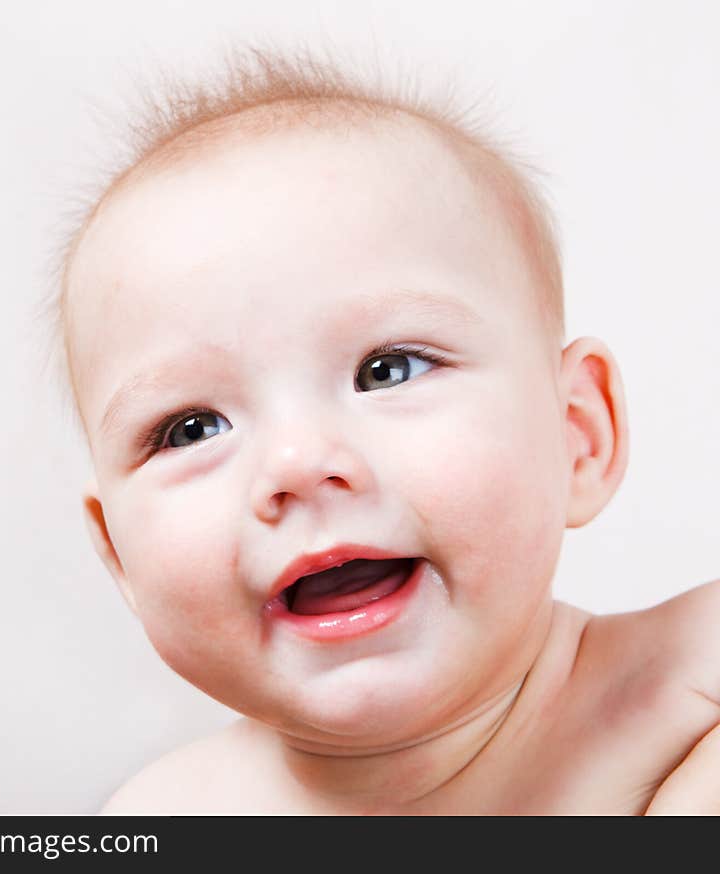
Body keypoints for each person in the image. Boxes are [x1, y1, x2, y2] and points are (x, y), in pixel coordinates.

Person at [42, 44, 719, 814]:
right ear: (119, 558)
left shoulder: (688, 686)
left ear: (577, 435)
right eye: (192, 428)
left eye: (387, 370)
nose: (296, 463)